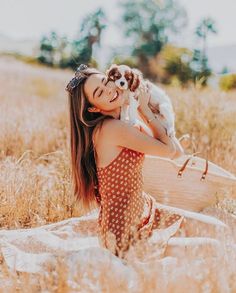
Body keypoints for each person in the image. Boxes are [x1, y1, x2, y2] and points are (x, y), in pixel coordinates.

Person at [66, 64, 234, 262]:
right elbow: (169, 151)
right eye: (99, 93)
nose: (110, 90)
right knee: (211, 247)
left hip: (146, 210)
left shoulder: (126, 120)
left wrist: (142, 108)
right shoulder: (112, 129)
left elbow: (176, 150)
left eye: (106, 82)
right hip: (125, 233)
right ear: (93, 107)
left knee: (220, 229)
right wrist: (145, 108)